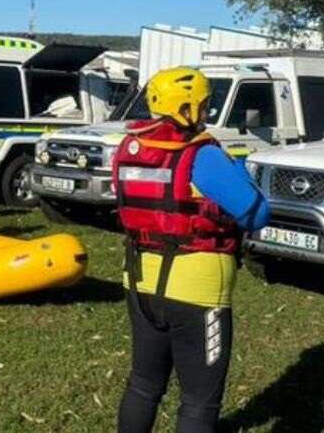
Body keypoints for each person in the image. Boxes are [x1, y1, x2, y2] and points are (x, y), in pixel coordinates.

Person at [113, 67, 270, 433]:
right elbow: (256, 212)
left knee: (143, 383)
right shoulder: (204, 156)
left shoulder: (130, 148)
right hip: (198, 291)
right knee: (199, 399)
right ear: (190, 107)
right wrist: (240, 171)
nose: (206, 111)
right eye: (204, 105)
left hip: (140, 281)